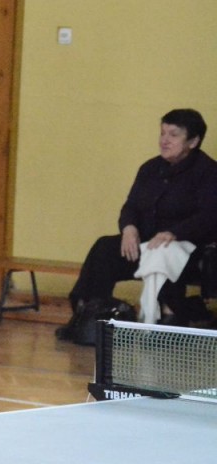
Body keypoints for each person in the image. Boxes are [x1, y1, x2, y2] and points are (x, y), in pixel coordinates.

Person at [58, 109, 217, 335]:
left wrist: (174, 233)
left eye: (173, 135)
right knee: (105, 248)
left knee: (165, 252)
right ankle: (90, 318)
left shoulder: (208, 172)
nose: (164, 140)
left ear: (193, 141)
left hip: (188, 249)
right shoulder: (150, 168)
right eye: (162, 133)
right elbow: (131, 206)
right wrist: (129, 228)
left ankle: (169, 320)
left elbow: (209, 217)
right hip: (146, 244)